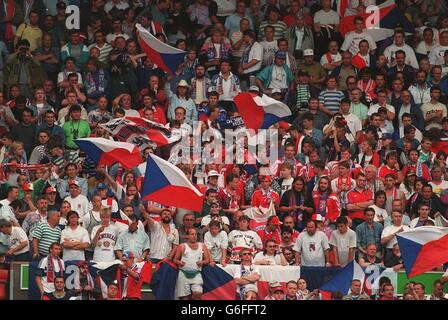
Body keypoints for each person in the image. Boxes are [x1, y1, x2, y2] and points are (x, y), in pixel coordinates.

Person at [173, 227, 210, 300]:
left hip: (196, 273)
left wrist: (202, 262)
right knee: (185, 298)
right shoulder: (182, 246)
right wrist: (179, 262)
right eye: (192, 234)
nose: (194, 236)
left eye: (196, 234)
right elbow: (175, 259)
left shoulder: (202, 245)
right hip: (183, 274)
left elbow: (207, 260)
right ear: (187, 236)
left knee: (198, 294)